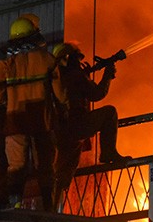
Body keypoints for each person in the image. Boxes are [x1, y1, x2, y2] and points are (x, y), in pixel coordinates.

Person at [0, 13, 65, 212]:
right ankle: (49, 206)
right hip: (41, 123)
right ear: (35, 35)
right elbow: (61, 95)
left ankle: (16, 203)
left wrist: (5, 101)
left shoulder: (8, 64)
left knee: (16, 167)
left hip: (15, 122)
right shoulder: (47, 59)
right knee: (45, 168)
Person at [51, 42, 130, 208]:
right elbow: (97, 94)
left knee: (63, 171)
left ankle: (52, 206)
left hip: (60, 130)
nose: (78, 63)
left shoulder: (56, 77)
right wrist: (108, 74)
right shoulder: (75, 76)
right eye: (75, 59)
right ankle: (108, 153)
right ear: (67, 59)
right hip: (76, 124)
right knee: (110, 112)